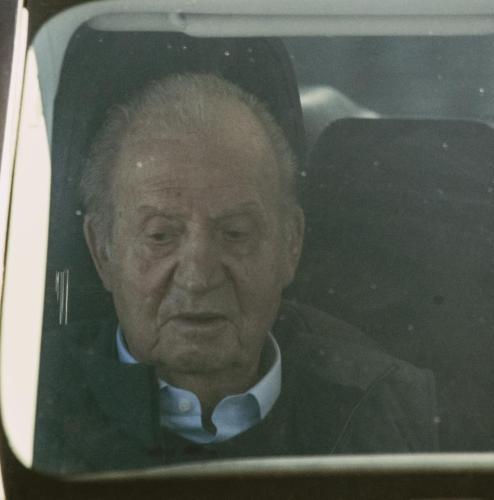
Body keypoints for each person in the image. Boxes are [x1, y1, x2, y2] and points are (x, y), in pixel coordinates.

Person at [33, 73, 439, 474]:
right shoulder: (22, 407)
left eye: (235, 233)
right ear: (102, 251)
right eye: (160, 236)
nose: (198, 278)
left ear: (291, 244)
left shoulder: (384, 407)